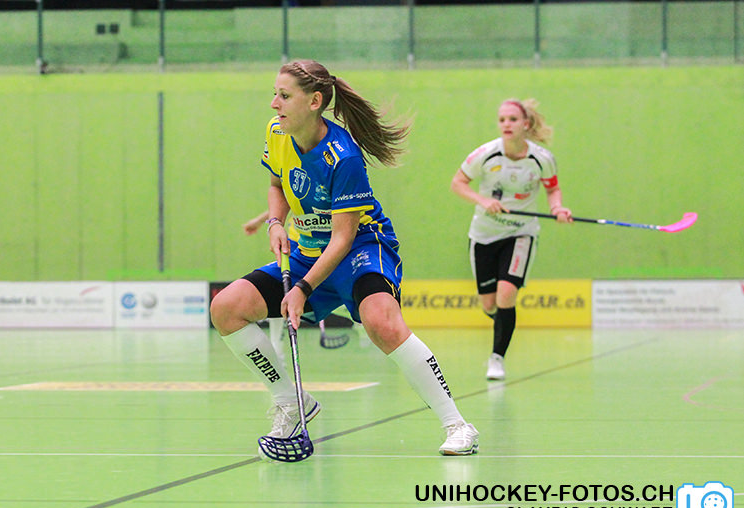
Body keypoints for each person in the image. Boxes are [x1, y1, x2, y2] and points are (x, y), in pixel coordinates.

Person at [212, 59, 478, 455]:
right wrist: (275, 223)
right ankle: (292, 402)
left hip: (360, 249)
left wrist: (302, 289)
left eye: (284, 96)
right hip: (308, 251)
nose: (274, 103)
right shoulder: (277, 132)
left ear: (314, 101)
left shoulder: (343, 157)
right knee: (226, 308)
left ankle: (458, 425)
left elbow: (343, 238)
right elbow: (276, 184)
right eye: (274, 94)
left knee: (382, 324)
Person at [450, 98, 572, 381]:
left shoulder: (542, 159)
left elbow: (553, 189)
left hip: (521, 233)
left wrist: (557, 208)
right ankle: (503, 325)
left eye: (513, 119)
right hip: (484, 234)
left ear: (526, 124)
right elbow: (457, 183)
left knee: (507, 294)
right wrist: (483, 201)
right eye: (502, 119)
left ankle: (497, 359)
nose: (506, 124)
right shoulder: (486, 154)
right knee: (490, 304)